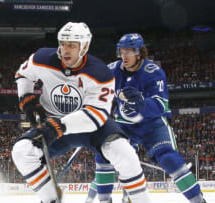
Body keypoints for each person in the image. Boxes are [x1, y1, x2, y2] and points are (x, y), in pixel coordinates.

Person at [11, 23, 152, 203]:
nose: (64, 49)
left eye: (71, 45)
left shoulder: (100, 73)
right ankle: (51, 199)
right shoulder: (41, 58)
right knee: (21, 151)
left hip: (92, 127)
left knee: (126, 155)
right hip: (53, 123)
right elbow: (23, 74)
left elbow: (96, 115)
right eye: (62, 44)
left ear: (84, 46)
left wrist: (60, 126)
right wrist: (27, 98)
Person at [85, 33, 206, 203]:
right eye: (122, 51)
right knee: (103, 154)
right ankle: (105, 201)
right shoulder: (112, 69)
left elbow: (160, 106)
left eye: (129, 52)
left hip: (151, 125)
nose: (124, 56)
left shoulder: (153, 72)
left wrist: (141, 103)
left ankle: (199, 200)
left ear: (139, 53)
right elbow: (93, 89)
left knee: (168, 158)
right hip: (123, 126)